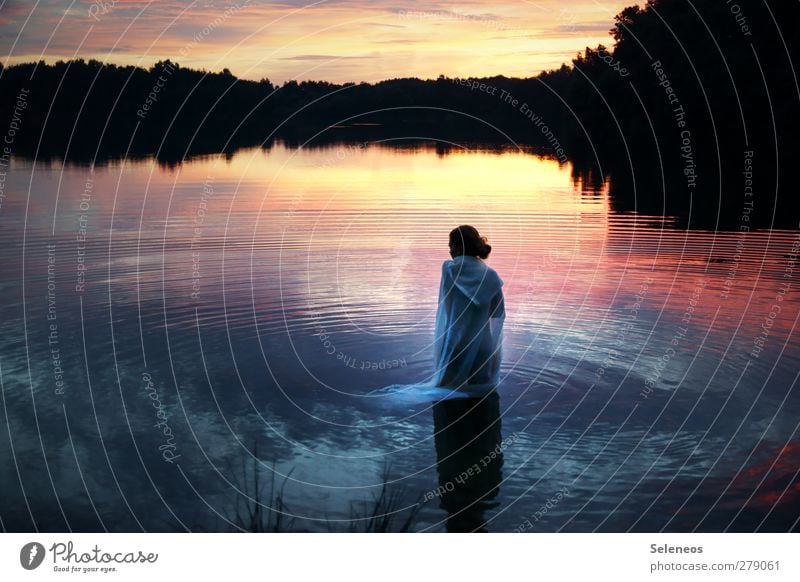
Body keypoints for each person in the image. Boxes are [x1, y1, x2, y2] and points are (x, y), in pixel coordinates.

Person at [431, 225, 505, 394]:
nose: (449, 250)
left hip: (455, 342)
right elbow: (498, 313)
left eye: (450, 245)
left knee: (446, 392)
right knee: (480, 395)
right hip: (484, 345)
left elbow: (446, 307)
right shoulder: (492, 276)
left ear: (457, 246)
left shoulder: (450, 270)